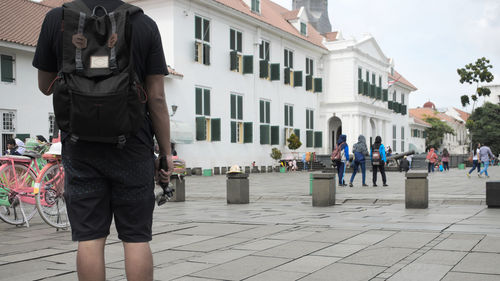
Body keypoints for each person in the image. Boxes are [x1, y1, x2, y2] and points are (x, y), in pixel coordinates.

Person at [33, 1, 172, 280]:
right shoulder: (144, 25)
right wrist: (166, 153)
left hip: (80, 144)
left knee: (90, 237)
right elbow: (156, 97)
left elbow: (45, 86)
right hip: (133, 144)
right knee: (135, 237)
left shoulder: (57, 19)